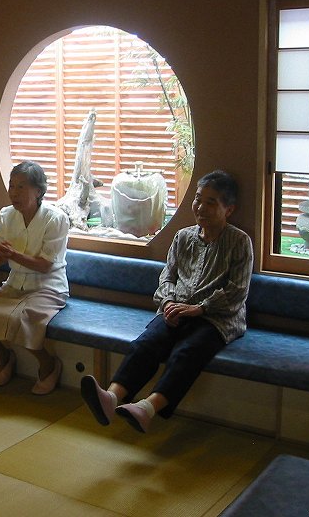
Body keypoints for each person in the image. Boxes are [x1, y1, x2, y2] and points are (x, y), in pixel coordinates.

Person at [80, 169, 253, 433]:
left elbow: (237, 291)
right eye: (198, 199)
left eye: (210, 202)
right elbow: (167, 277)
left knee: (187, 352)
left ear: (229, 210)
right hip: (177, 310)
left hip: (216, 318)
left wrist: (200, 308)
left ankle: (147, 408)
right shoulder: (183, 237)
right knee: (147, 342)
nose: (200, 207)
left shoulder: (239, 242)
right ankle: (111, 397)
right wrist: (169, 302)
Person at [0, 161, 70, 395]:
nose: (14, 193)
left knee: (21, 319)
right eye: (12, 186)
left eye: (21, 187)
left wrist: (13, 254)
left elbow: (45, 266)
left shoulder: (55, 218)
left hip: (48, 286)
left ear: (38, 191)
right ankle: (3, 357)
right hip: (14, 284)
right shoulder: (6, 215)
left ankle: (48, 364)